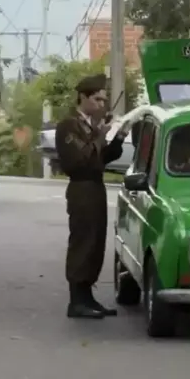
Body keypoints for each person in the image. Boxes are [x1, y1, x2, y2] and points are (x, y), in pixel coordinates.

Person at [54, 74, 131, 319]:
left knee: (96, 243)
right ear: (83, 97)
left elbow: (102, 157)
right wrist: (100, 134)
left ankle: (88, 297)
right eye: (97, 99)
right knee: (83, 242)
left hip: (95, 186)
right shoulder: (69, 125)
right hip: (81, 187)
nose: (101, 104)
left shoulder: (89, 124)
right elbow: (81, 159)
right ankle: (76, 301)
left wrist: (119, 137)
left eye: (103, 100)